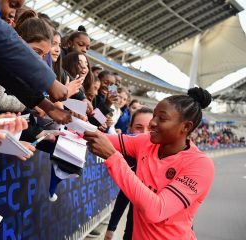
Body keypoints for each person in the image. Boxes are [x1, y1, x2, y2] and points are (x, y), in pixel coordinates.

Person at [84, 87, 214, 239]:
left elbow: (157, 210)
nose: (152, 123)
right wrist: (69, 118)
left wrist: (113, 158)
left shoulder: (200, 165)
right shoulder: (146, 142)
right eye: (154, 116)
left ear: (186, 127)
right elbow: (99, 137)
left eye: (162, 118)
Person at [105, 107, 154, 240]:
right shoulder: (130, 155)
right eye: (139, 127)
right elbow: (126, 192)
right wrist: (111, 228)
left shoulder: (172, 154)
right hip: (134, 229)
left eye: (150, 128)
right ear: (130, 128)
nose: (145, 133)